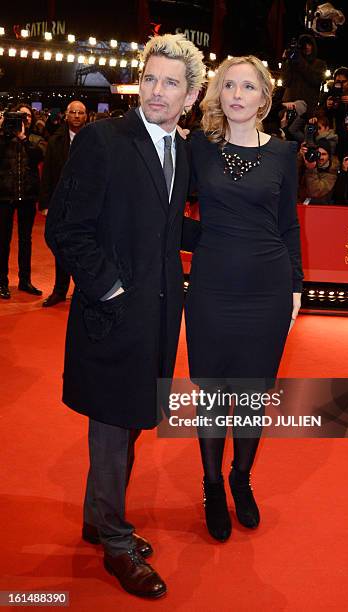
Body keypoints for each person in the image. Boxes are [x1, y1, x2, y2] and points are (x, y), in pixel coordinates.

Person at [45, 34, 204, 598]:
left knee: (130, 419)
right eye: (152, 79)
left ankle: (96, 516)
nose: (157, 92)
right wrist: (108, 288)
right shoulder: (102, 139)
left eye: (171, 83)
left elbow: (164, 230)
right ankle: (114, 539)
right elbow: (65, 228)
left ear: (190, 95)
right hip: (111, 315)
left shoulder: (181, 151)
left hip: (158, 318)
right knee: (112, 427)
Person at [185, 56, 303, 542]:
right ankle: (213, 485)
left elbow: (288, 224)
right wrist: (209, 235)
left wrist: (296, 285)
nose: (237, 93)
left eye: (247, 86)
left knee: (252, 395)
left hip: (268, 290)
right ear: (217, 94)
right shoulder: (197, 147)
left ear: (263, 98)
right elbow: (168, 210)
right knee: (212, 393)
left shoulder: (282, 153)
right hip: (211, 288)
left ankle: (240, 478)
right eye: (228, 85)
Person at [40, 101, 88, 307]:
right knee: (60, 247)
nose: (76, 116)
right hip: (61, 203)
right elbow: (48, 174)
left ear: (86, 116)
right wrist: (45, 203)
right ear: (66, 115)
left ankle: (83, 290)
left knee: (84, 248)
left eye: (80, 113)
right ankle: (60, 290)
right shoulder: (55, 141)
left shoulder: (94, 140)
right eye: (73, 112)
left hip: (87, 203)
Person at [0, 104, 45, 299]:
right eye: (19, 115)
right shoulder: (2, 139)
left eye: (27, 116)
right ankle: (2, 282)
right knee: (3, 241)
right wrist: (3, 130)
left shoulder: (35, 139)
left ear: (32, 119)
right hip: (4, 195)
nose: (23, 119)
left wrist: (23, 138)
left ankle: (25, 281)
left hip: (27, 195)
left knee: (26, 241)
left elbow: (38, 156)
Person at [282, 34, 326, 117]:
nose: (307, 47)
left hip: (308, 108)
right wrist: (285, 62)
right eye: (304, 45)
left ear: (313, 46)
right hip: (289, 104)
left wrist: (300, 60)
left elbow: (315, 80)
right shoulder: (294, 62)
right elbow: (285, 82)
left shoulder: (320, 64)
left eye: (309, 44)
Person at [298, 138, 340, 204]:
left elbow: (315, 192)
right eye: (318, 154)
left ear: (329, 156)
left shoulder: (332, 172)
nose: (320, 157)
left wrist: (311, 169)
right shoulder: (306, 163)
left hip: (319, 209)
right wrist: (300, 156)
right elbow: (291, 175)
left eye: (324, 154)